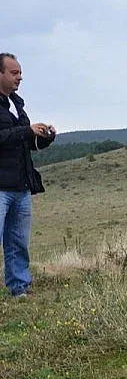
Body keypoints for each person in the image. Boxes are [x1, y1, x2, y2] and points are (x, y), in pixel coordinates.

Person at [0, 53, 56, 297]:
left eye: (20, 72)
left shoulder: (16, 103)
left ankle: (20, 288)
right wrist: (26, 130)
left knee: (18, 243)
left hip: (21, 186)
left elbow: (27, 144)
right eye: (14, 73)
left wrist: (44, 138)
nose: (20, 77)